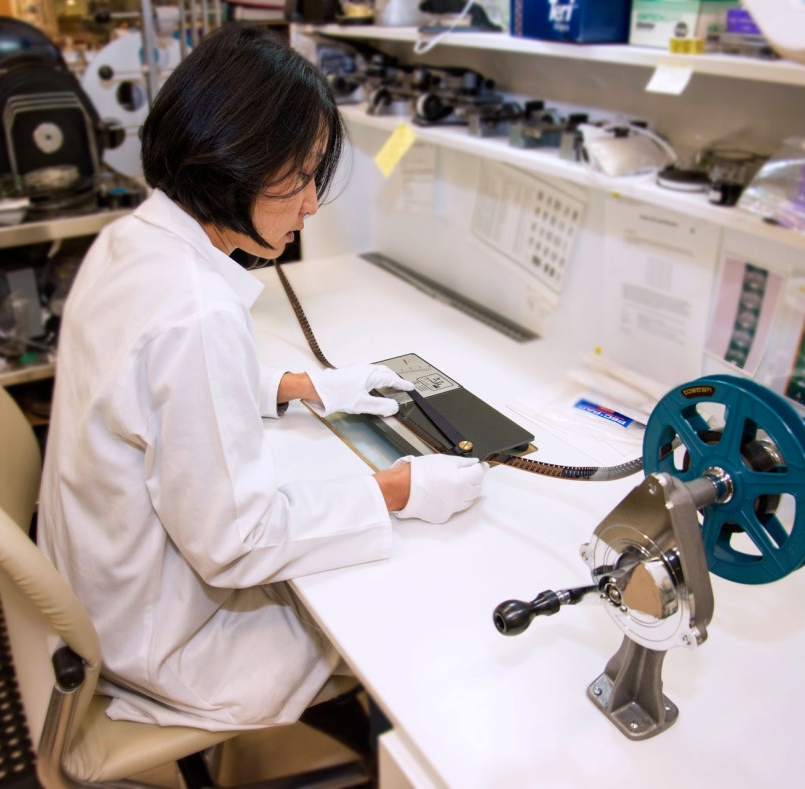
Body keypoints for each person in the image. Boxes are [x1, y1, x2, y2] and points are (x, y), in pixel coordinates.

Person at [37, 22, 488, 737]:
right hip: (164, 640)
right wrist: (399, 489)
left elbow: (146, 392)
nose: (311, 204)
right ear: (233, 160)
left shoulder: (132, 238)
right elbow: (237, 540)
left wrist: (300, 387)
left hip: (102, 587)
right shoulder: (196, 309)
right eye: (302, 174)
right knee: (400, 621)